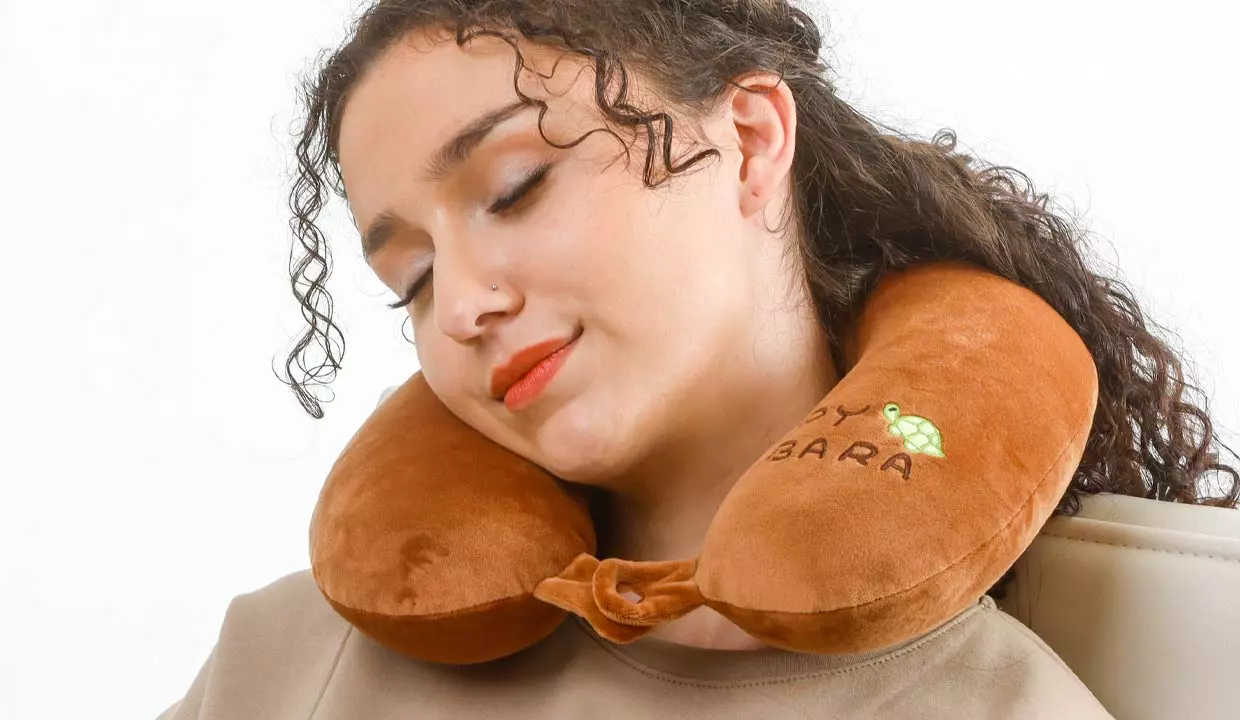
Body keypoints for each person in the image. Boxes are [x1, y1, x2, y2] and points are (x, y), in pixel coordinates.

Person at [160, 1, 1239, 718]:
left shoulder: (997, 705)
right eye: (414, 278)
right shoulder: (281, 660)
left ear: (752, 141)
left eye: (516, 189)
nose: (465, 308)